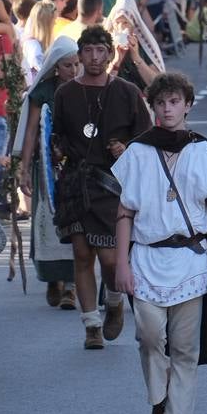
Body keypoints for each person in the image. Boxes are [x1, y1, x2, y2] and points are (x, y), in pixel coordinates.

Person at [112, 72, 207, 414]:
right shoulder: (137, 152)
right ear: (153, 107)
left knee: (184, 348)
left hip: (192, 260)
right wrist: (121, 264)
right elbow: (124, 213)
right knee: (149, 337)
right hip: (146, 257)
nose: (167, 109)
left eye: (174, 102)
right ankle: (159, 406)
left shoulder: (203, 151)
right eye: (161, 103)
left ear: (186, 105)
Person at [51, 26, 152, 350]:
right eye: (88, 51)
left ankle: (114, 299)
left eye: (100, 50)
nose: (94, 57)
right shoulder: (66, 93)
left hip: (113, 184)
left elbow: (147, 136)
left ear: (110, 54)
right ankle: (91, 325)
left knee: (110, 258)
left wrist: (128, 148)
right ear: (79, 55)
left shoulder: (126, 91)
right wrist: (55, 150)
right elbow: (58, 135)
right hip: (77, 182)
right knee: (81, 253)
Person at [16, 37, 82, 311]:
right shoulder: (42, 93)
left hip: (76, 168)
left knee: (77, 223)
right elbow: (32, 131)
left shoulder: (84, 89)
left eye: (76, 64)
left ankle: (71, 286)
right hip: (47, 169)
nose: (74, 70)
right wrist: (24, 170)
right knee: (48, 223)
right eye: (68, 65)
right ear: (56, 66)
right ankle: (53, 278)